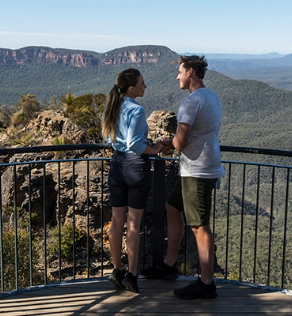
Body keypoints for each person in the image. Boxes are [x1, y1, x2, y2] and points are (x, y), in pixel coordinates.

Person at [140, 55, 225, 299]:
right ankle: (168, 266)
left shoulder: (190, 103)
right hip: (201, 167)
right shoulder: (212, 96)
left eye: (179, 72)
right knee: (172, 208)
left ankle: (206, 283)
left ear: (190, 72)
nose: (177, 76)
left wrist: (168, 144)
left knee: (199, 227)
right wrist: (173, 142)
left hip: (197, 171)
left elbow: (181, 141)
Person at [102, 68, 164, 293]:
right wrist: (156, 148)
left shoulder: (113, 106)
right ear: (132, 88)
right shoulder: (136, 110)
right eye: (142, 83)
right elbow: (136, 145)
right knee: (133, 225)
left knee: (116, 222)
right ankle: (132, 274)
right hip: (135, 167)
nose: (145, 86)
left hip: (116, 165)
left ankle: (117, 269)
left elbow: (111, 139)